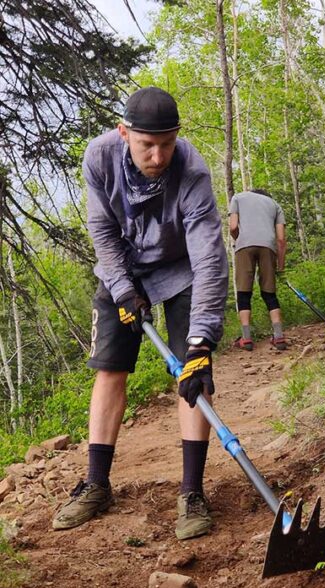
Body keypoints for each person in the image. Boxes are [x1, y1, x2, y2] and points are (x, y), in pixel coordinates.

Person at [52, 87, 228, 541]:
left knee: (190, 372)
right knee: (109, 370)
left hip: (182, 270)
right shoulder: (99, 158)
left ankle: (191, 492)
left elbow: (209, 256)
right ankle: (96, 484)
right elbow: (102, 231)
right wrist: (124, 290)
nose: (157, 155)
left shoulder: (191, 170)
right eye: (147, 144)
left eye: (167, 144)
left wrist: (202, 342)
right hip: (122, 271)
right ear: (124, 132)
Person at [228, 189, 287, 351]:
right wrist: (280, 267)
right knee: (269, 292)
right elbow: (281, 240)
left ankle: (246, 339)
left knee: (243, 291)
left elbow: (233, 227)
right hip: (268, 246)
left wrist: (239, 241)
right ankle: (279, 335)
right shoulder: (275, 205)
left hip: (244, 245)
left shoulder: (238, 198)